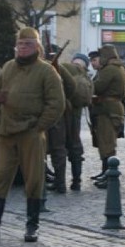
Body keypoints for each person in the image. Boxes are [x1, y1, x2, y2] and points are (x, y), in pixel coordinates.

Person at [0, 27, 64, 242]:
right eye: (20, 44)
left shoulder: (46, 71)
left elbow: (56, 104)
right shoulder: (8, 68)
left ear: (37, 47)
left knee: (33, 179)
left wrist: (38, 126)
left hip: (31, 134)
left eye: (28, 44)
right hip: (6, 133)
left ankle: (32, 226)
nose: (22, 48)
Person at [89, 44, 125, 189]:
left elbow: (98, 87)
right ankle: (106, 172)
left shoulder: (110, 69)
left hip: (107, 110)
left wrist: (88, 84)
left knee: (107, 143)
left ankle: (109, 174)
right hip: (112, 108)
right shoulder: (118, 67)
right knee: (106, 142)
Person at [44, 47, 77, 194]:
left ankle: (58, 182)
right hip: (59, 111)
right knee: (59, 148)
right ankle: (60, 182)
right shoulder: (58, 68)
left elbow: (71, 86)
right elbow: (71, 86)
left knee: (50, 148)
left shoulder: (43, 68)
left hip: (48, 111)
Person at [58, 53, 94, 191]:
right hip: (76, 115)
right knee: (75, 146)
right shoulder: (87, 77)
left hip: (62, 113)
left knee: (59, 146)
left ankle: (59, 182)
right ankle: (76, 181)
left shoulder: (64, 67)